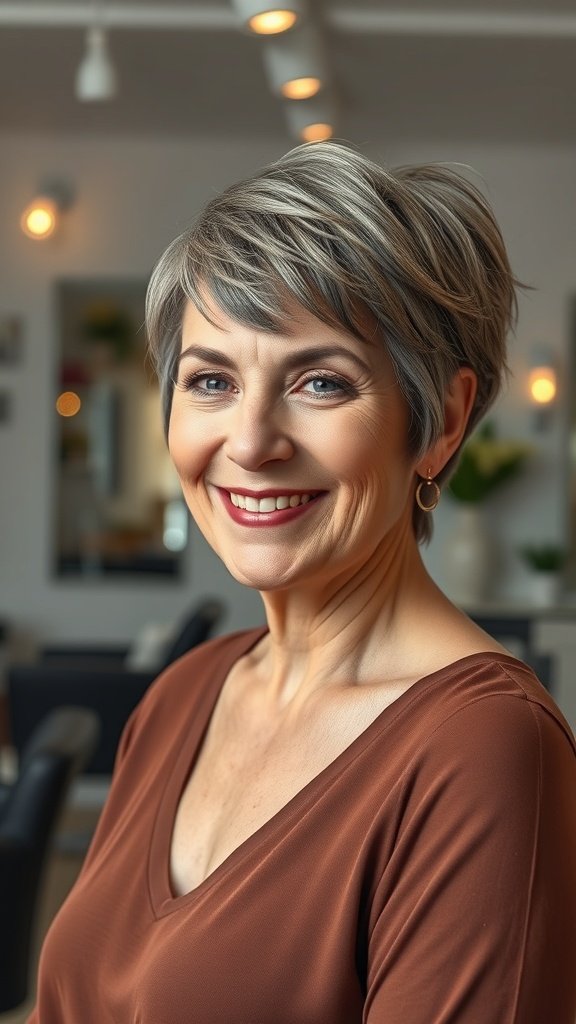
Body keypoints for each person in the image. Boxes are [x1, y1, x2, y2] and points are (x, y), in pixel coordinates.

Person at [30, 142, 576, 1023]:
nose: (251, 442)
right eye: (211, 380)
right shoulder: (181, 696)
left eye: (321, 382)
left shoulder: (483, 750)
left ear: (441, 423)